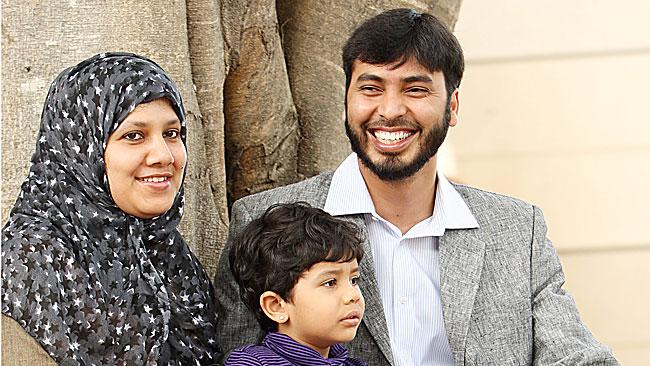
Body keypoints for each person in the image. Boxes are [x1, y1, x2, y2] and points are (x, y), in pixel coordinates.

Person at [215, 8, 618, 366]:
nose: (389, 111)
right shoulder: (263, 218)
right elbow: (235, 353)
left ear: (452, 106)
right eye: (371, 88)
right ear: (346, 101)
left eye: (415, 89)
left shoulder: (517, 229)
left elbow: (572, 353)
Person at [1, 53, 220, 365]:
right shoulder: (33, 260)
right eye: (134, 136)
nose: (163, 155)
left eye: (172, 133)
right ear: (81, 149)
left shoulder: (164, 249)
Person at [225, 202, 367, 365]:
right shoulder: (253, 363)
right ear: (276, 306)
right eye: (330, 283)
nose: (353, 296)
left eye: (354, 280)